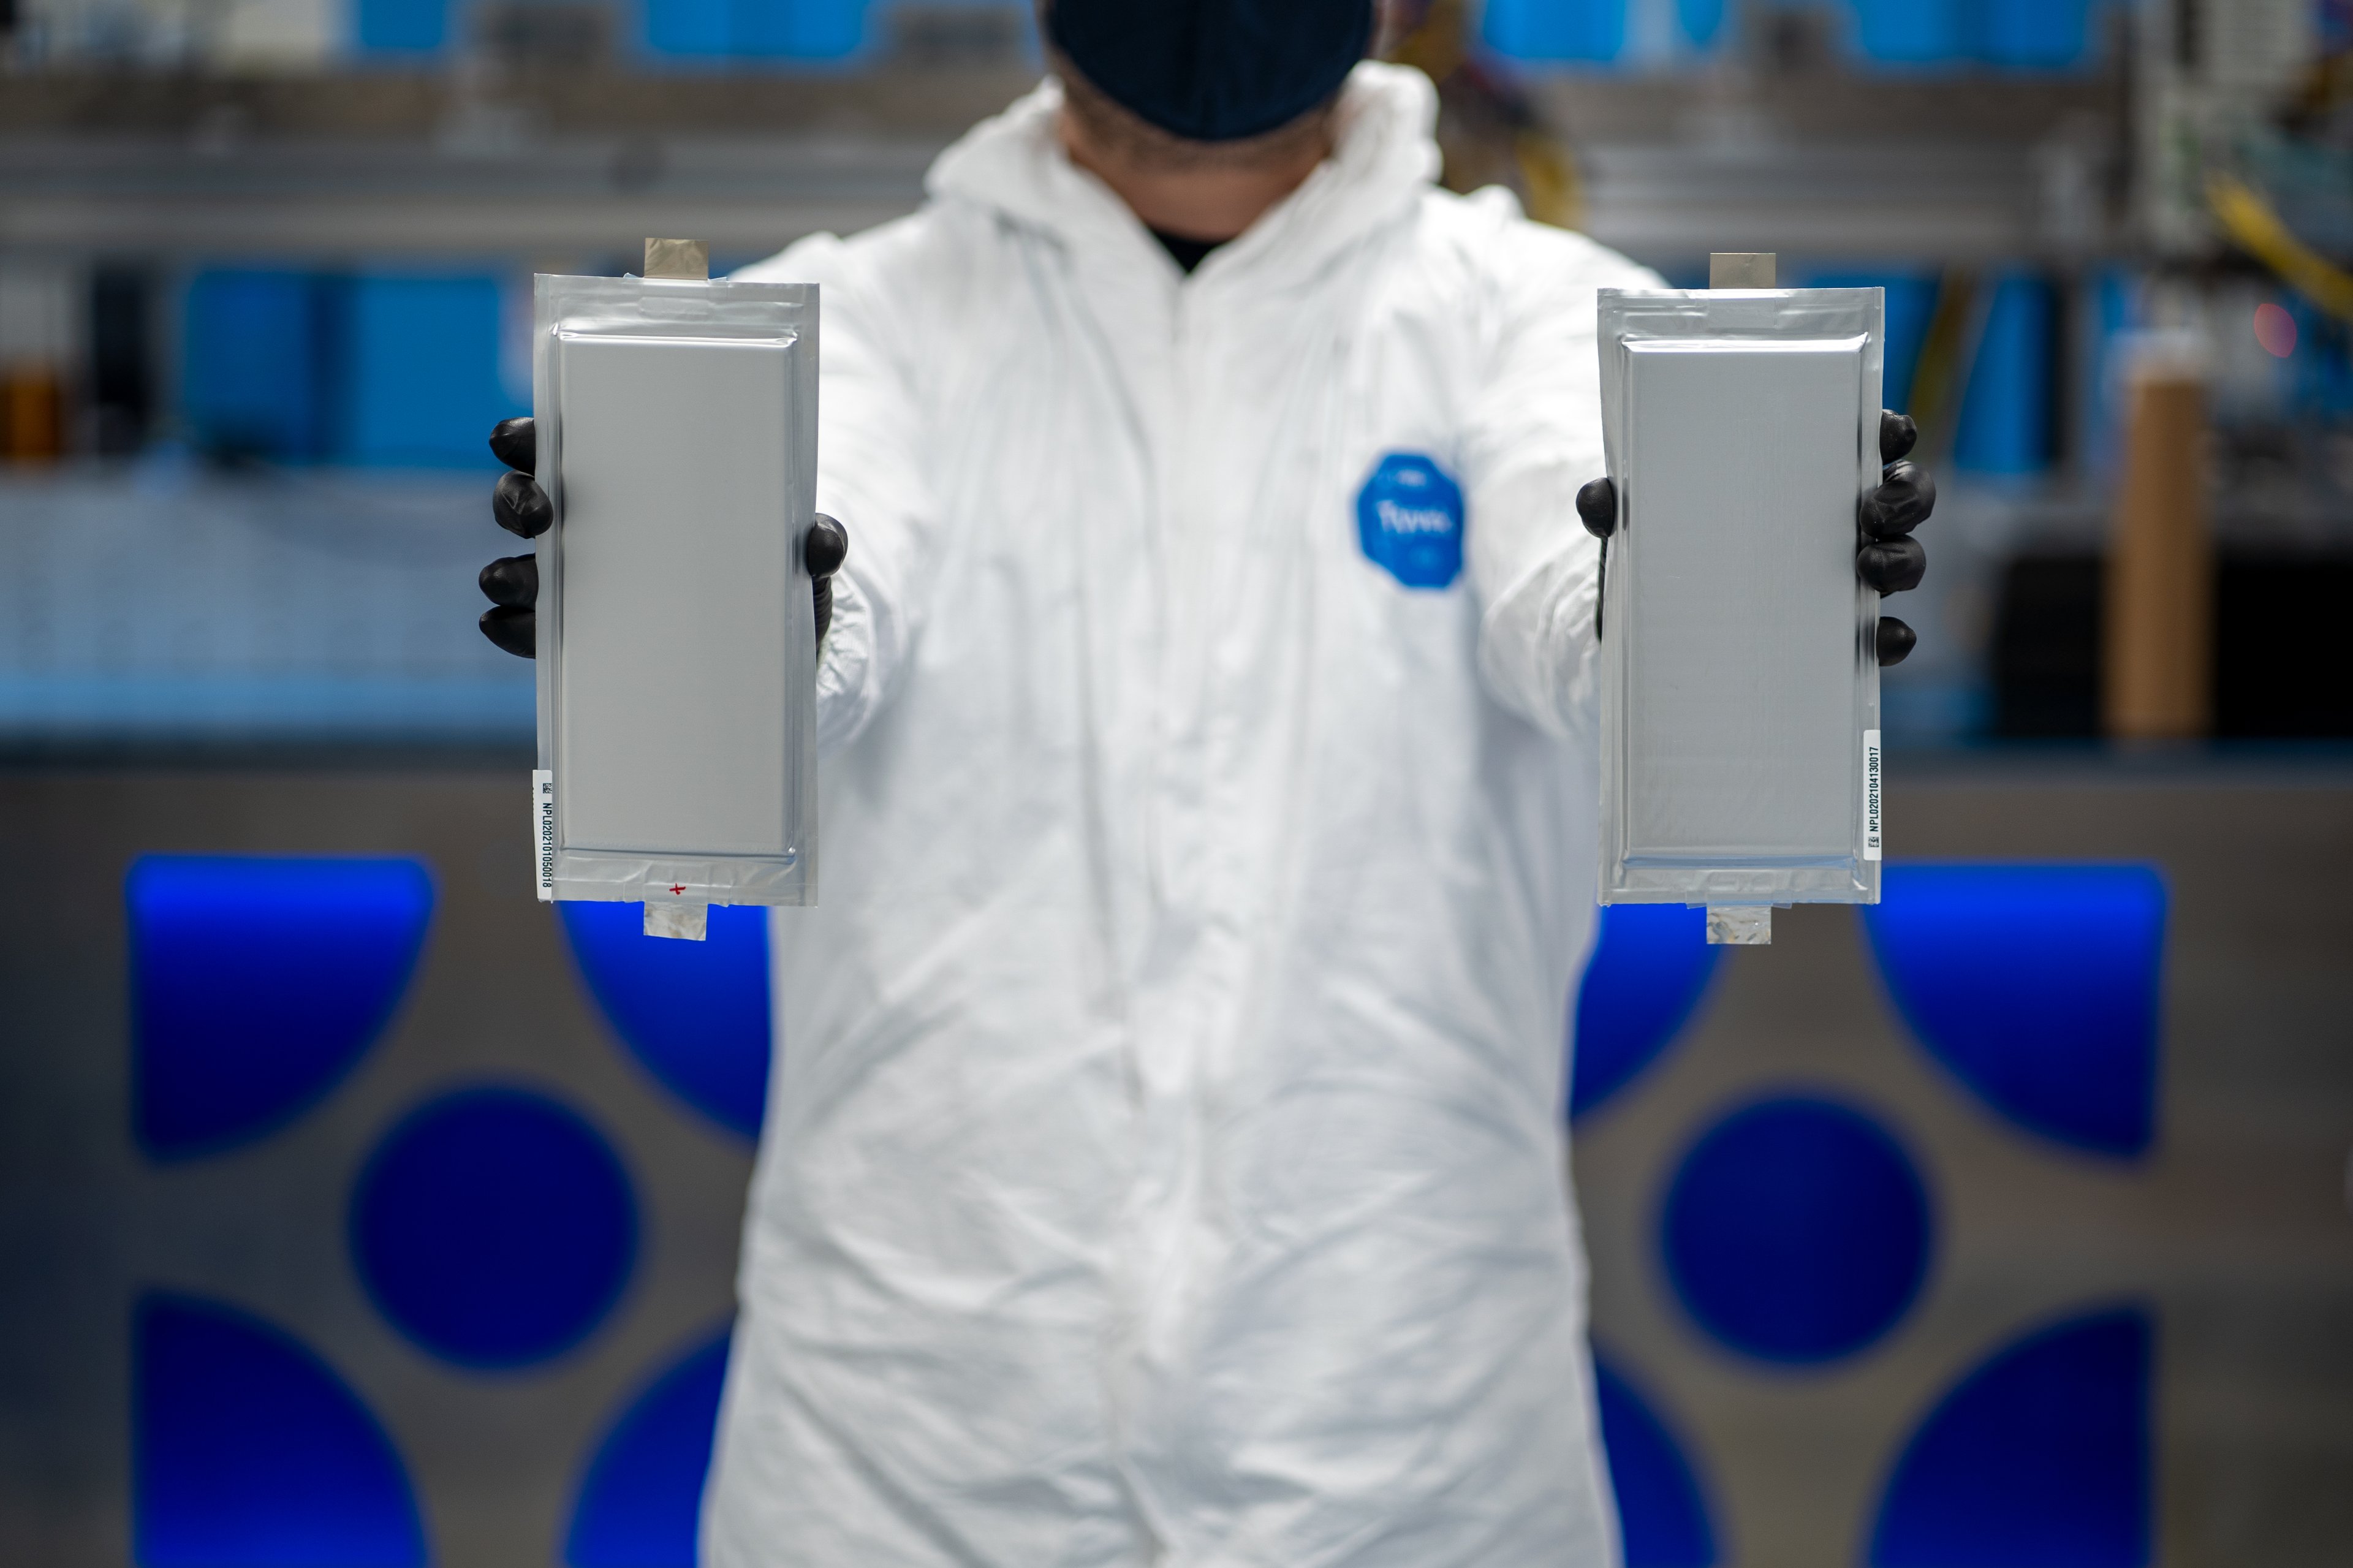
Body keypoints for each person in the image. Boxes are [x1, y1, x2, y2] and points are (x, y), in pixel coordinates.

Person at [477, 1, 1934, 1561]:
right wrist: (697, 604)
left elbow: (1577, 581)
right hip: (911, 1466)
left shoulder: (1530, 321)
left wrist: (1726, 582)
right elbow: (824, 587)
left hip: (1406, 1460)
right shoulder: (851, 325)